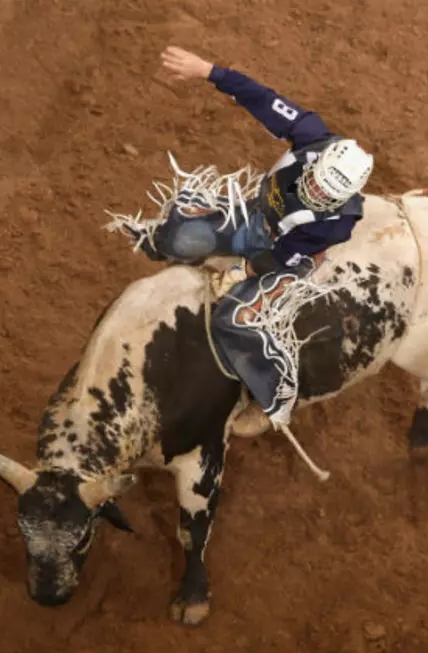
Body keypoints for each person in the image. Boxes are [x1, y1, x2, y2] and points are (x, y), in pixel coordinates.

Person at [140, 46, 375, 433]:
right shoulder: (311, 136)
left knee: (233, 321)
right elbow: (265, 99)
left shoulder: (338, 222)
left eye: (326, 194)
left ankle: (278, 393)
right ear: (320, 162)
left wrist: (240, 272)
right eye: (316, 184)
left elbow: (284, 254)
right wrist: (208, 71)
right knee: (178, 235)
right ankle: (162, 242)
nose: (316, 195)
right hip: (255, 216)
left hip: (287, 256)